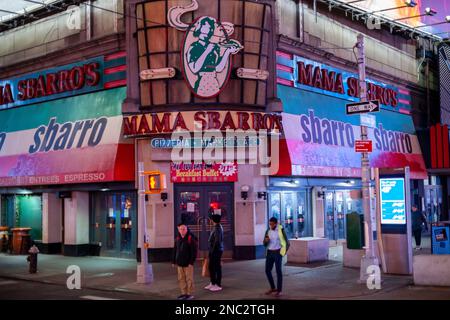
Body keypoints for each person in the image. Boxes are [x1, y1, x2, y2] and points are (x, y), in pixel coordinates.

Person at [263, 217, 290, 297]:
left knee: (278, 271)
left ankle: (279, 290)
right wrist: (266, 241)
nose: (270, 225)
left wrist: (282, 253)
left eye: (271, 224)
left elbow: (287, 243)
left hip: (278, 252)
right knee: (267, 270)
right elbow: (264, 243)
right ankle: (272, 288)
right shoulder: (268, 231)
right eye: (269, 224)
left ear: (276, 223)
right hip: (270, 253)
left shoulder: (280, 230)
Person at [172, 222, 197, 300]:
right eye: (181, 229)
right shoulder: (177, 239)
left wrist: (191, 262)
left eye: (184, 229)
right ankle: (183, 293)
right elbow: (175, 250)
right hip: (179, 263)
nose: (182, 230)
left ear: (187, 229)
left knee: (189, 279)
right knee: (181, 278)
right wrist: (173, 261)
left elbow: (194, 252)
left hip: (188, 263)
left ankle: (190, 294)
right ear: (178, 230)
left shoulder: (190, 239)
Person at [205, 213, 224, 292]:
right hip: (215, 249)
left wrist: (212, 250)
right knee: (211, 267)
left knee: (216, 267)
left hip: (216, 250)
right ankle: (212, 282)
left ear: (213, 220)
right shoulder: (216, 227)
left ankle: (218, 284)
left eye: (211, 219)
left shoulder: (217, 228)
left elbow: (217, 241)